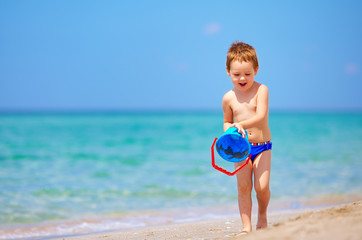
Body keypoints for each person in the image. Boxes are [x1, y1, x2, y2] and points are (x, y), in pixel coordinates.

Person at [222, 41, 272, 235]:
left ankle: (263, 215)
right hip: (240, 148)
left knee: (261, 187)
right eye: (236, 74)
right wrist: (230, 130)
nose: (242, 78)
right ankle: (246, 227)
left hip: (262, 145)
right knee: (243, 187)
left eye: (247, 74)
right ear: (228, 71)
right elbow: (227, 122)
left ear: (256, 70)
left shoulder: (261, 90)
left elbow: (260, 116)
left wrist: (242, 124)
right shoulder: (228, 97)